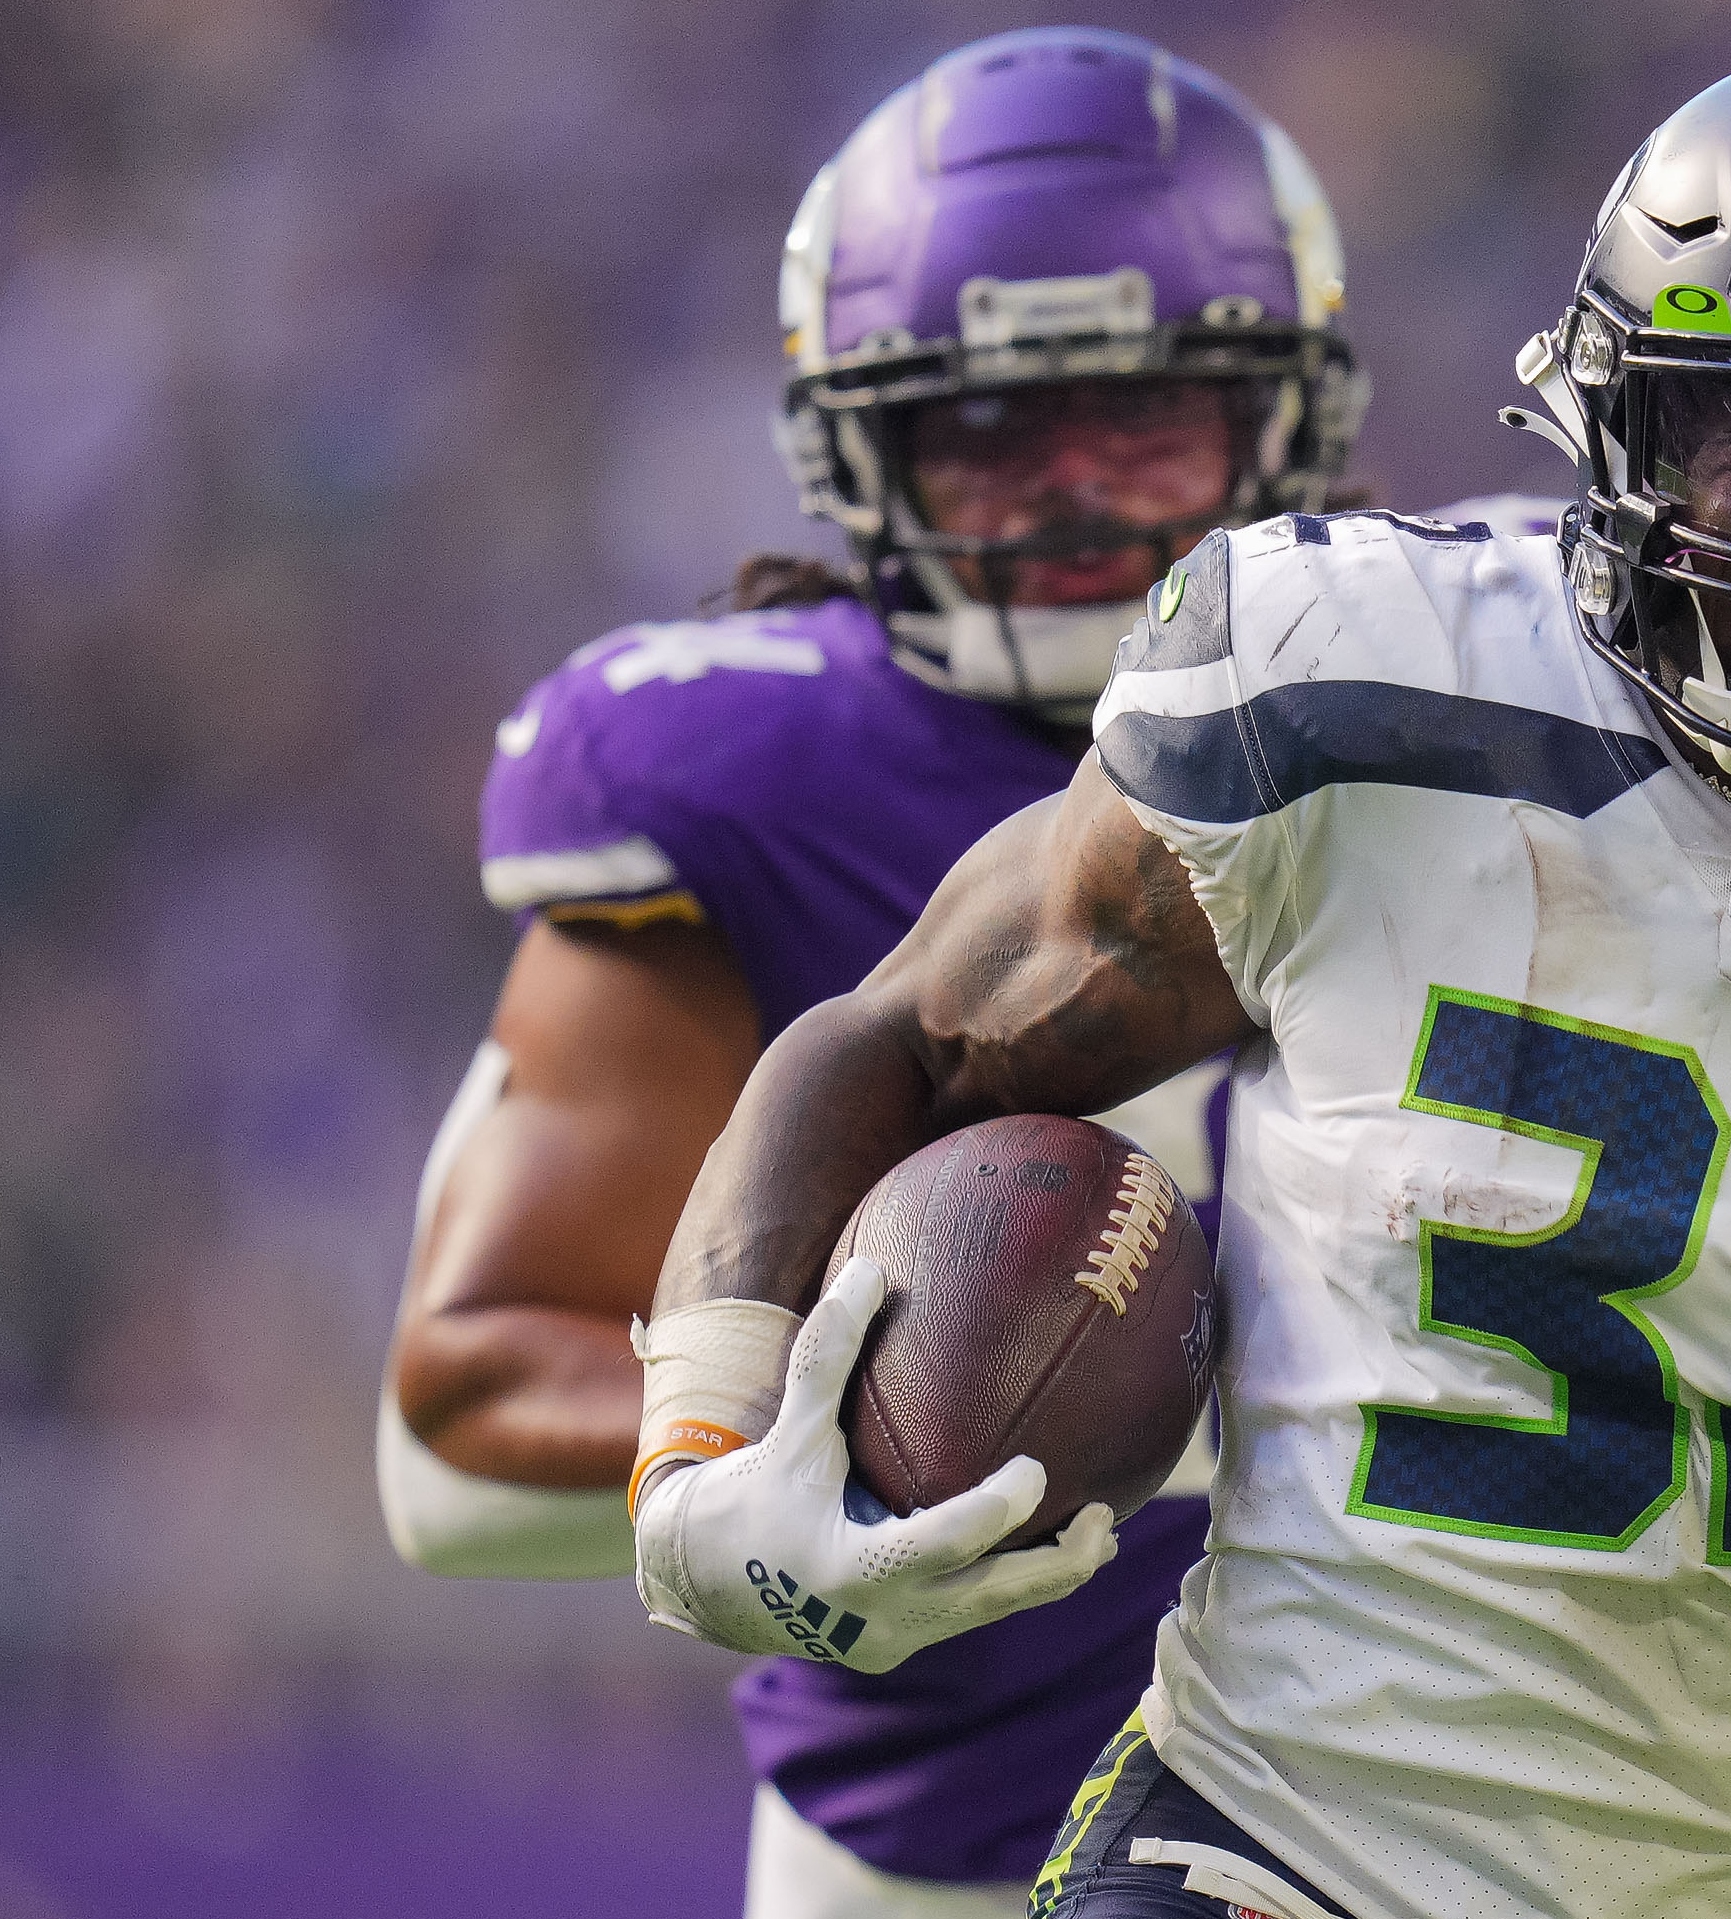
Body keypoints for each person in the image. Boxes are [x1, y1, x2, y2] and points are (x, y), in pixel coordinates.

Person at [619, 34, 1731, 1919]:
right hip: (1279, 1843)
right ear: (1613, 431)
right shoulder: (1349, 688)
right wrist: (701, 1451)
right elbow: (904, 1043)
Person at [377, 30, 1368, 1915]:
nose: (1077, 500)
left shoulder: (1454, 688)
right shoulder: (745, 772)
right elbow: (456, 1429)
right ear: (858, 448)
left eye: (1143, 424)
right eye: (991, 438)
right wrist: (788, 1445)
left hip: (1453, 1807)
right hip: (943, 1859)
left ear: (1286, 417)